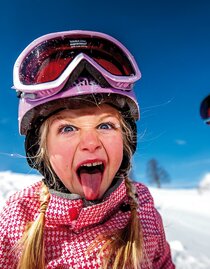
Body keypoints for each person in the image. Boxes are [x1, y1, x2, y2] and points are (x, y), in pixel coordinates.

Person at [0, 30, 175, 269]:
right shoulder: (17, 220)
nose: (90, 143)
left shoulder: (144, 213)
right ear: (40, 149)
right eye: (68, 128)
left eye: (105, 125)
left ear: (126, 141)